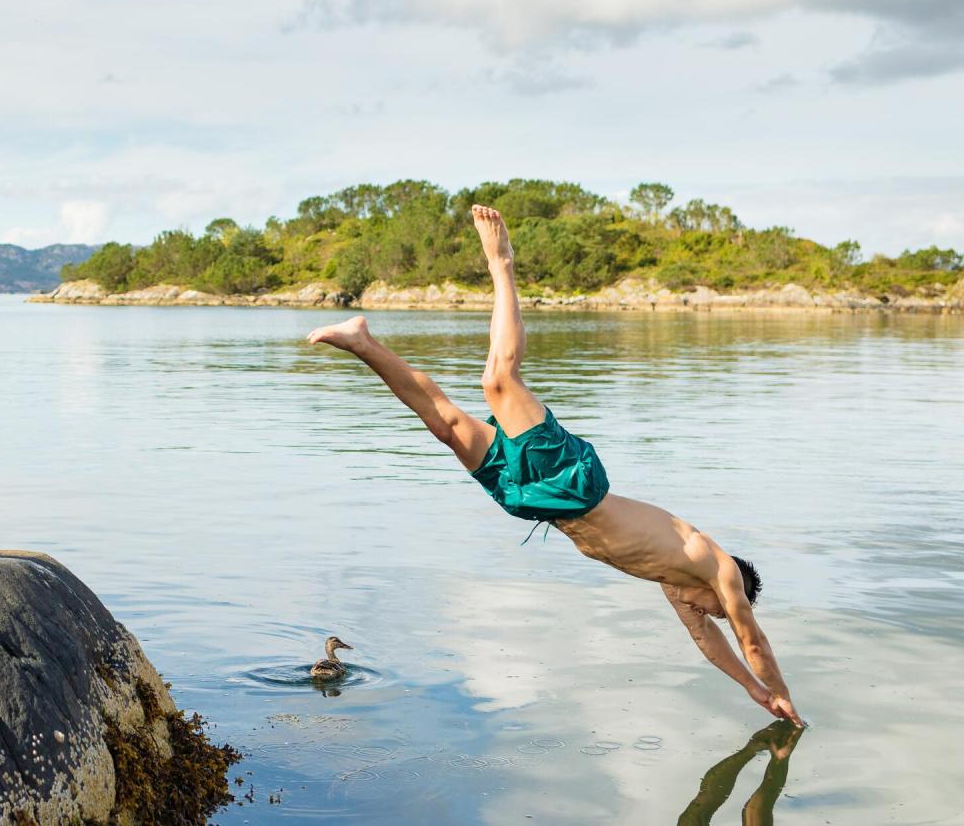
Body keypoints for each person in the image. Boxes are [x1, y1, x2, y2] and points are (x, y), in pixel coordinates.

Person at [307, 205, 800, 723]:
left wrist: (755, 693)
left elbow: (712, 646)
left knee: (447, 428)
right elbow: (752, 640)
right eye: (717, 610)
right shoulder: (716, 567)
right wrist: (782, 690)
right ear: (733, 591)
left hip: (540, 505)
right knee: (498, 381)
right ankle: (502, 263)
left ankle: (361, 341)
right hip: (575, 482)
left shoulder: (676, 587)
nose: (710, 615)